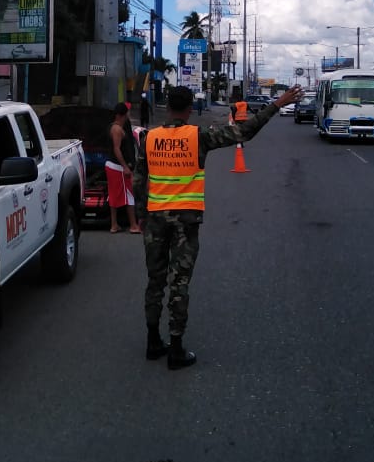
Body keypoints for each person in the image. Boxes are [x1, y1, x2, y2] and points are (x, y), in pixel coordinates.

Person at [133, 82, 304, 370]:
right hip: (185, 222)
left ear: (169, 107)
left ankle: (152, 342)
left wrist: (140, 215)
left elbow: (139, 180)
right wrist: (277, 104)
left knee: (155, 281)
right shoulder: (198, 137)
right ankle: (175, 349)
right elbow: (244, 132)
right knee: (180, 283)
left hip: (155, 220)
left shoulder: (148, 138)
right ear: (189, 109)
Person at [105, 102, 142, 234]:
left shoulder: (114, 127)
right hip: (118, 167)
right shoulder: (117, 129)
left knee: (114, 195)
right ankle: (133, 225)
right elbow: (117, 149)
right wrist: (126, 167)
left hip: (112, 166)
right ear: (123, 115)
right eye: (127, 114)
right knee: (129, 195)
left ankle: (114, 225)